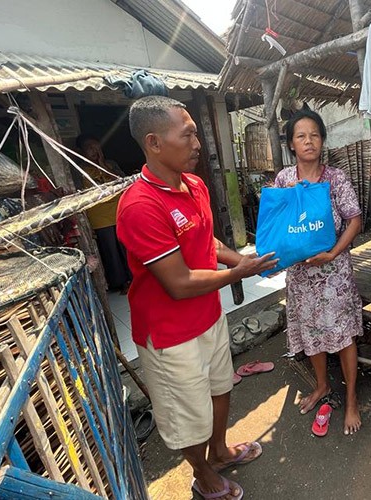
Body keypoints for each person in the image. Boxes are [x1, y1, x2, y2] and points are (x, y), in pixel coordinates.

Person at [116, 96, 277, 500]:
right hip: (170, 334)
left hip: (208, 315)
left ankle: (220, 451)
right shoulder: (139, 205)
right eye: (186, 134)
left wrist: (240, 258)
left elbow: (209, 240)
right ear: (153, 143)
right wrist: (235, 273)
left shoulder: (195, 185)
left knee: (221, 387)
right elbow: (179, 282)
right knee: (189, 416)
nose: (198, 143)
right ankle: (203, 475)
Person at [274, 108, 364, 435]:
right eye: (301, 136)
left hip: (333, 274)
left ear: (322, 140)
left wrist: (333, 254)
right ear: (291, 144)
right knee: (312, 334)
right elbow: (279, 225)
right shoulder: (284, 180)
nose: (309, 141)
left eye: (314, 135)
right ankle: (322, 385)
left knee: (342, 336)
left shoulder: (335, 178)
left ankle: (351, 399)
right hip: (301, 277)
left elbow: (354, 219)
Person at [76, 134, 132, 293]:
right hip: (99, 218)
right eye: (90, 148)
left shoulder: (111, 164)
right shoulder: (79, 170)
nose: (95, 151)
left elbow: (124, 181)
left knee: (127, 248)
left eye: (97, 147)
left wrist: (102, 165)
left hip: (120, 211)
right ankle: (121, 282)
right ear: (80, 151)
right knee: (111, 252)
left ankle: (135, 277)